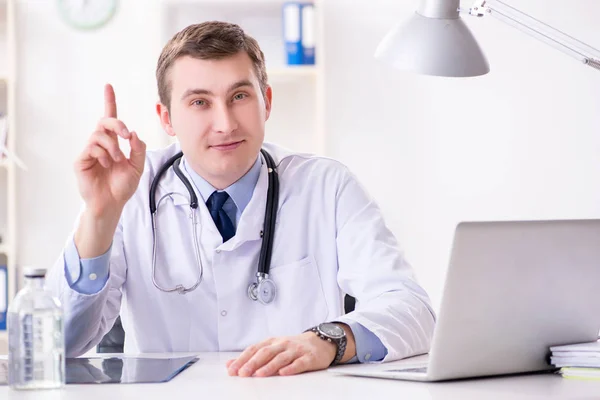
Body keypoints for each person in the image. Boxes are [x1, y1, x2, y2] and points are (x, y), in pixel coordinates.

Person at [46, 21, 435, 377]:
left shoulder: (326, 186)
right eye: (199, 102)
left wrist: (329, 339)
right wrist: (99, 216)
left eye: (240, 96)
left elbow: (413, 311)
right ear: (166, 119)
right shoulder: (128, 189)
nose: (225, 123)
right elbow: (55, 345)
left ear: (266, 100)